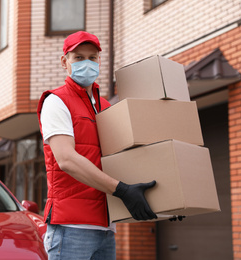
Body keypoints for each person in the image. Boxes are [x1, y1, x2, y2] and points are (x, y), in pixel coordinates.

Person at [37, 31, 157, 260]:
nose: (87, 63)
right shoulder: (56, 101)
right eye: (78, 57)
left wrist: (166, 201)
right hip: (71, 228)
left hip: (106, 227)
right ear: (65, 62)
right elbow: (66, 160)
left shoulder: (104, 106)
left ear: (99, 61)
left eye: (92, 58)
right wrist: (122, 190)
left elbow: (122, 158)